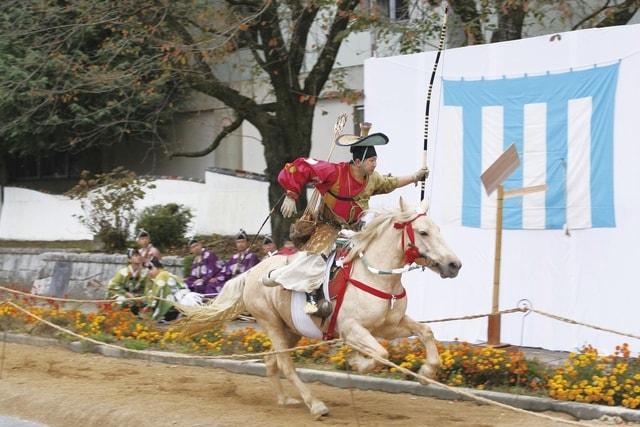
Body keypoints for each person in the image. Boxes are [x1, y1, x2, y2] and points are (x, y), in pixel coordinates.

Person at [266, 123, 429, 314]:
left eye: (375, 159)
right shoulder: (334, 172)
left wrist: (414, 176)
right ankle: (311, 294)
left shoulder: (373, 178)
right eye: (371, 160)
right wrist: (291, 193)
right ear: (358, 162)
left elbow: (390, 183)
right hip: (329, 226)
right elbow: (302, 165)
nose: (375, 164)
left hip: (358, 228)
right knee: (318, 258)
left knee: (385, 244)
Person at [146, 257, 202, 322]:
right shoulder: (167, 273)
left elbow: (156, 293)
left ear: (157, 267)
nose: (150, 272)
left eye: (151, 269)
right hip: (185, 298)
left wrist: (149, 305)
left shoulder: (161, 275)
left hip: (179, 301)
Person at [107, 248, 152, 315]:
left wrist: (142, 297)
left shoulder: (143, 273)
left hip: (135, 296)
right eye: (135, 256)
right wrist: (127, 294)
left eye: (139, 255)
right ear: (129, 259)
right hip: (121, 295)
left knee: (147, 301)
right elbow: (112, 286)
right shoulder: (123, 272)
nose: (138, 257)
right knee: (122, 300)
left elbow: (145, 288)